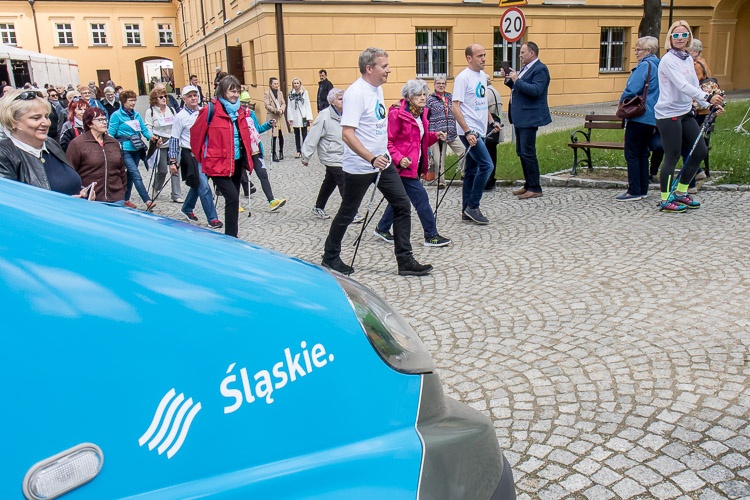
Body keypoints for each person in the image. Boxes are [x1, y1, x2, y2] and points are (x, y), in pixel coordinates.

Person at [321, 47, 432, 277]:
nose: (389, 70)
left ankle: (405, 260)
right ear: (369, 68)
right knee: (348, 212)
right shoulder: (356, 93)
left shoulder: (377, 89)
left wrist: (383, 156)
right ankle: (330, 257)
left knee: (402, 205)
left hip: (383, 162)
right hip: (360, 166)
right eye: (384, 66)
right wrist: (370, 158)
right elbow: (347, 134)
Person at [654, 20, 724, 213]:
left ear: (689, 38)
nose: (680, 38)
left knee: (700, 150)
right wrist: (708, 97)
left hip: (685, 111)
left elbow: (693, 85)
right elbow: (682, 85)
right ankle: (665, 199)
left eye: (684, 35)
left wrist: (710, 105)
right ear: (670, 38)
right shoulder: (668, 60)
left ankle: (681, 191)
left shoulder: (686, 59)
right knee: (673, 155)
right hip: (669, 114)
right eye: (675, 35)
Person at [374, 79, 450, 247]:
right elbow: (387, 142)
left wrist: (435, 136)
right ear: (408, 97)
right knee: (421, 199)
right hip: (401, 167)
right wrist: (399, 158)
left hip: (414, 165)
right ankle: (431, 235)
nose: (422, 98)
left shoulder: (421, 113)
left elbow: (419, 140)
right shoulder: (397, 114)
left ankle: (382, 227)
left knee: (400, 198)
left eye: (424, 94)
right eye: (418, 95)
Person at [190, 75, 257, 238]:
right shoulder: (211, 111)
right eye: (231, 91)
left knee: (233, 201)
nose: (235, 95)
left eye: (237, 91)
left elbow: (244, 137)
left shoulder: (240, 111)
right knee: (233, 198)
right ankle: (231, 237)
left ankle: (231, 237)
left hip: (236, 163)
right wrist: (203, 159)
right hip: (217, 164)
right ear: (223, 92)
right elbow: (196, 136)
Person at [0, 89, 89, 198]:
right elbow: (9, 203)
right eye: (36, 118)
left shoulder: (50, 143)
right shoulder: (3, 154)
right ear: (13, 122)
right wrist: (62, 204)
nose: (46, 123)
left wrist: (83, 192)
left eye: (46, 116)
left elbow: (67, 181)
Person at [452, 44, 501, 223]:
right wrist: (467, 131)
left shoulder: (482, 76)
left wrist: (492, 122)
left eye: (484, 55)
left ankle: (466, 210)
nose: (484, 59)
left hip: (480, 130)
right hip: (469, 132)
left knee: (472, 170)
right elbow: (455, 107)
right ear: (469, 58)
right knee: (487, 165)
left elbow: (482, 103)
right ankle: (473, 205)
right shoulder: (462, 78)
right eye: (480, 56)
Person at [502, 42, 552, 200]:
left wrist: (517, 80)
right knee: (521, 152)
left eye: (522, 52)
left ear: (532, 53)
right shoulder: (526, 68)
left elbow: (535, 90)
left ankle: (535, 187)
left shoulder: (540, 69)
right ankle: (528, 184)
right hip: (520, 117)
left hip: (530, 117)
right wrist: (509, 79)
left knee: (528, 152)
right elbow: (519, 88)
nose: (520, 55)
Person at [168, 85, 222, 229]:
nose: (193, 98)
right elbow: (174, 139)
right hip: (190, 154)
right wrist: (172, 161)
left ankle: (187, 207)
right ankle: (213, 219)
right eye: (190, 96)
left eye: (195, 95)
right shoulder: (180, 117)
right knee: (204, 186)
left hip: (206, 153)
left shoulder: (204, 112)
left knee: (197, 184)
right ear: (184, 99)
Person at [616, 36, 660, 201]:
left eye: (638, 49)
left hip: (639, 115)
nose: (635, 52)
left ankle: (634, 190)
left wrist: (622, 101)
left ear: (648, 50)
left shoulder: (644, 66)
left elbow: (632, 89)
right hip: (652, 116)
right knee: (643, 153)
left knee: (632, 152)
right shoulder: (659, 65)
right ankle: (643, 188)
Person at [301, 87, 353, 220]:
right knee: (343, 181)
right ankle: (350, 212)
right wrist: (306, 155)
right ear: (332, 102)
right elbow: (313, 136)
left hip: (342, 154)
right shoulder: (324, 116)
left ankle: (318, 207)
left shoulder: (346, 114)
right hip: (331, 154)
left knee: (330, 182)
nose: (343, 101)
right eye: (340, 99)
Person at [66, 107, 126, 204]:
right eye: (100, 120)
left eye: (105, 119)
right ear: (89, 123)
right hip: (91, 199)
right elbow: (70, 172)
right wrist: (80, 191)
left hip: (116, 197)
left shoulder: (113, 143)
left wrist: (122, 191)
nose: (104, 122)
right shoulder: (78, 144)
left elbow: (122, 170)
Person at [108, 90, 155, 210]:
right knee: (135, 174)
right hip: (125, 149)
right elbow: (111, 133)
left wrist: (152, 137)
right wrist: (112, 148)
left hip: (137, 149)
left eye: (134, 100)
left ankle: (126, 199)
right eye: (130, 100)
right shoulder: (116, 115)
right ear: (123, 101)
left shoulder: (137, 115)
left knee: (130, 176)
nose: (133, 103)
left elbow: (144, 130)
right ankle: (147, 200)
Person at [239, 91, 287, 211]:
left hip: (255, 149)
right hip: (242, 150)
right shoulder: (235, 115)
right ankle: (234, 204)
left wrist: (268, 125)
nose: (246, 105)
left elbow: (258, 129)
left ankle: (271, 201)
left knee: (263, 174)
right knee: (237, 177)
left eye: (247, 103)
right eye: (243, 103)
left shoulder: (251, 113)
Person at [145, 87, 182, 203]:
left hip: (172, 142)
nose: (164, 99)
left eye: (165, 96)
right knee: (162, 170)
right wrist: (153, 138)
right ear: (155, 99)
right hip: (159, 143)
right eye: (161, 97)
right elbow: (148, 127)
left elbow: (177, 124)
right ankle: (156, 187)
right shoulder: (150, 111)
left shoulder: (171, 109)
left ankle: (176, 195)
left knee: (175, 169)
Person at [425, 76, 466, 183]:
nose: (441, 85)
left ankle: (465, 174)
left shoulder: (450, 97)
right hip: (437, 134)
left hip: (451, 132)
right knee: (439, 160)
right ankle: (441, 182)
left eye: (443, 83)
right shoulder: (430, 99)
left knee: (464, 151)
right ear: (434, 85)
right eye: (438, 83)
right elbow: (425, 117)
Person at [687, 38, 714, 190]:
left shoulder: (696, 65)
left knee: (690, 141)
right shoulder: (703, 62)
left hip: (699, 108)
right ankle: (697, 171)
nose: (686, 53)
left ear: (696, 51)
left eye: (689, 50)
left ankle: (696, 172)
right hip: (704, 108)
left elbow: (692, 86)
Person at [484, 80, 503, 191]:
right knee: (492, 154)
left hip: (488, 128)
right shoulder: (496, 91)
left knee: (486, 156)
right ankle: (491, 180)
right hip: (496, 127)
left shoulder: (485, 92)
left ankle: (487, 181)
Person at [287, 77, 313, 159]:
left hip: (303, 116)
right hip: (295, 116)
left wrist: (309, 117)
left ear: (300, 84)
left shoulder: (304, 92)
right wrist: (290, 117)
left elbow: (307, 104)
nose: (296, 85)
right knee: (296, 134)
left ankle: (305, 150)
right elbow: (289, 107)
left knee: (304, 134)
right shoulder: (290, 94)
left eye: (297, 83)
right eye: (294, 83)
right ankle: (298, 151)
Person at [263, 77, 286, 161]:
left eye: (277, 84)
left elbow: (283, 103)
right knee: (274, 136)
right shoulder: (267, 93)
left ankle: (281, 151)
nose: (276, 85)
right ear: (270, 84)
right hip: (273, 116)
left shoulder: (280, 93)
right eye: (274, 84)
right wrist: (276, 110)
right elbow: (267, 105)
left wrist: (282, 109)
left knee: (281, 135)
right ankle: (273, 153)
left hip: (280, 116)